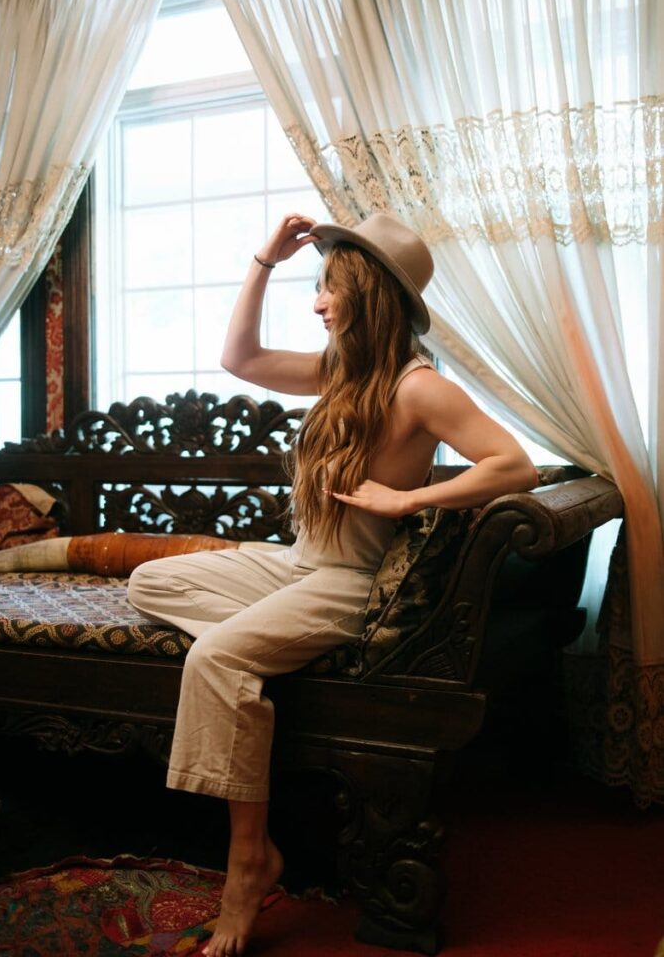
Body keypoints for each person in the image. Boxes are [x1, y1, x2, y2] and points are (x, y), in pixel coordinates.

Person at [127, 212, 538, 957]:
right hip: (295, 565)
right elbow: (241, 358)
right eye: (315, 286)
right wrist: (263, 260)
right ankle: (263, 655)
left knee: (215, 659)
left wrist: (406, 500)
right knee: (152, 582)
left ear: (370, 293)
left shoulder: (418, 388)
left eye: (330, 288)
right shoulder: (338, 372)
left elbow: (513, 466)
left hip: (347, 579)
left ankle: (249, 860)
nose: (317, 302)